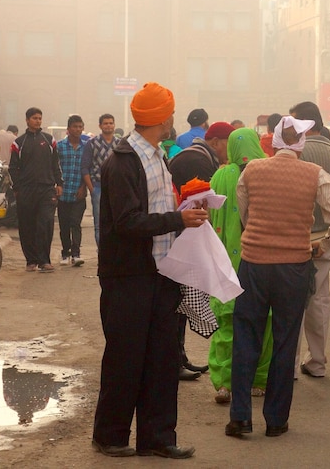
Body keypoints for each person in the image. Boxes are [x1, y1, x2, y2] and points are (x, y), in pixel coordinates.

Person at [92, 81, 209, 460]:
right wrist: (178, 218)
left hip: (161, 273)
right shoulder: (123, 161)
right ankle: (110, 436)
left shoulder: (157, 155)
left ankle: (158, 437)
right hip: (128, 276)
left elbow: (156, 207)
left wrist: (187, 208)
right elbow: (127, 221)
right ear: (163, 118)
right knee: (125, 358)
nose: (173, 118)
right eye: (171, 113)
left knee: (162, 358)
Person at [226, 115, 330, 438]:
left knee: (246, 336)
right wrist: (323, 245)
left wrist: (258, 231)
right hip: (294, 265)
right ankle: (276, 419)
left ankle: (240, 416)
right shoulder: (315, 174)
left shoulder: (251, 170)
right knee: (285, 340)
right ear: (300, 143)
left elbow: (245, 210)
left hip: (254, 264)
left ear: (275, 139)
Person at [208, 127, 275, 404]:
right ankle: (258, 380)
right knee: (264, 324)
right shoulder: (267, 174)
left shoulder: (222, 175)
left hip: (227, 261)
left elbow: (212, 215)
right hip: (263, 259)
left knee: (227, 324)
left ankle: (224, 383)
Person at [169, 121, 235, 381]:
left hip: (181, 234)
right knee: (178, 304)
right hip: (181, 236)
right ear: (217, 142)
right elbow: (191, 201)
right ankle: (174, 361)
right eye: (227, 145)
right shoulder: (198, 161)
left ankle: (179, 357)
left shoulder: (194, 155)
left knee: (180, 305)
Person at [289, 101, 330, 379]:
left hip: (298, 236)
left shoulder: (297, 153)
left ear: (306, 125)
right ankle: (318, 361)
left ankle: (288, 365)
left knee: (293, 302)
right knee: (319, 299)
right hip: (328, 236)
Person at [9, 107, 63, 273]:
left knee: (45, 223)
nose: (38, 121)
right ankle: (31, 261)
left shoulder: (49, 140)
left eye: (40, 118)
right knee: (27, 225)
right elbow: (13, 168)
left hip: (47, 189)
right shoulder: (19, 143)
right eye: (34, 118)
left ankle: (44, 260)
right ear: (27, 120)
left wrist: (59, 183)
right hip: (26, 190)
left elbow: (56, 164)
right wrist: (17, 187)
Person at [56, 115, 88, 268]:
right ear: (68, 129)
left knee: (75, 223)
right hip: (63, 193)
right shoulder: (60, 146)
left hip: (78, 192)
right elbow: (54, 168)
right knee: (64, 224)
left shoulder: (87, 146)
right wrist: (57, 185)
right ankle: (65, 253)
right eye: (75, 127)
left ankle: (76, 254)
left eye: (80, 127)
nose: (78, 129)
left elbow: (88, 169)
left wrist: (84, 187)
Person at [81, 114, 117, 246]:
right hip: (98, 187)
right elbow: (85, 167)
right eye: (105, 123)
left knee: (116, 221)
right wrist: (91, 189)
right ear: (100, 126)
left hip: (116, 189)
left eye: (111, 123)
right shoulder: (92, 143)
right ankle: (102, 252)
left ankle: (113, 251)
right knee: (99, 223)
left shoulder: (119, 144)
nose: (108, 125)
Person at [169, 121, 233, 187]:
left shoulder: (201, 156)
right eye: (230, 146)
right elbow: (207, 195)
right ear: (215, 142)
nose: (231, 152)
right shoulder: (198, 162)